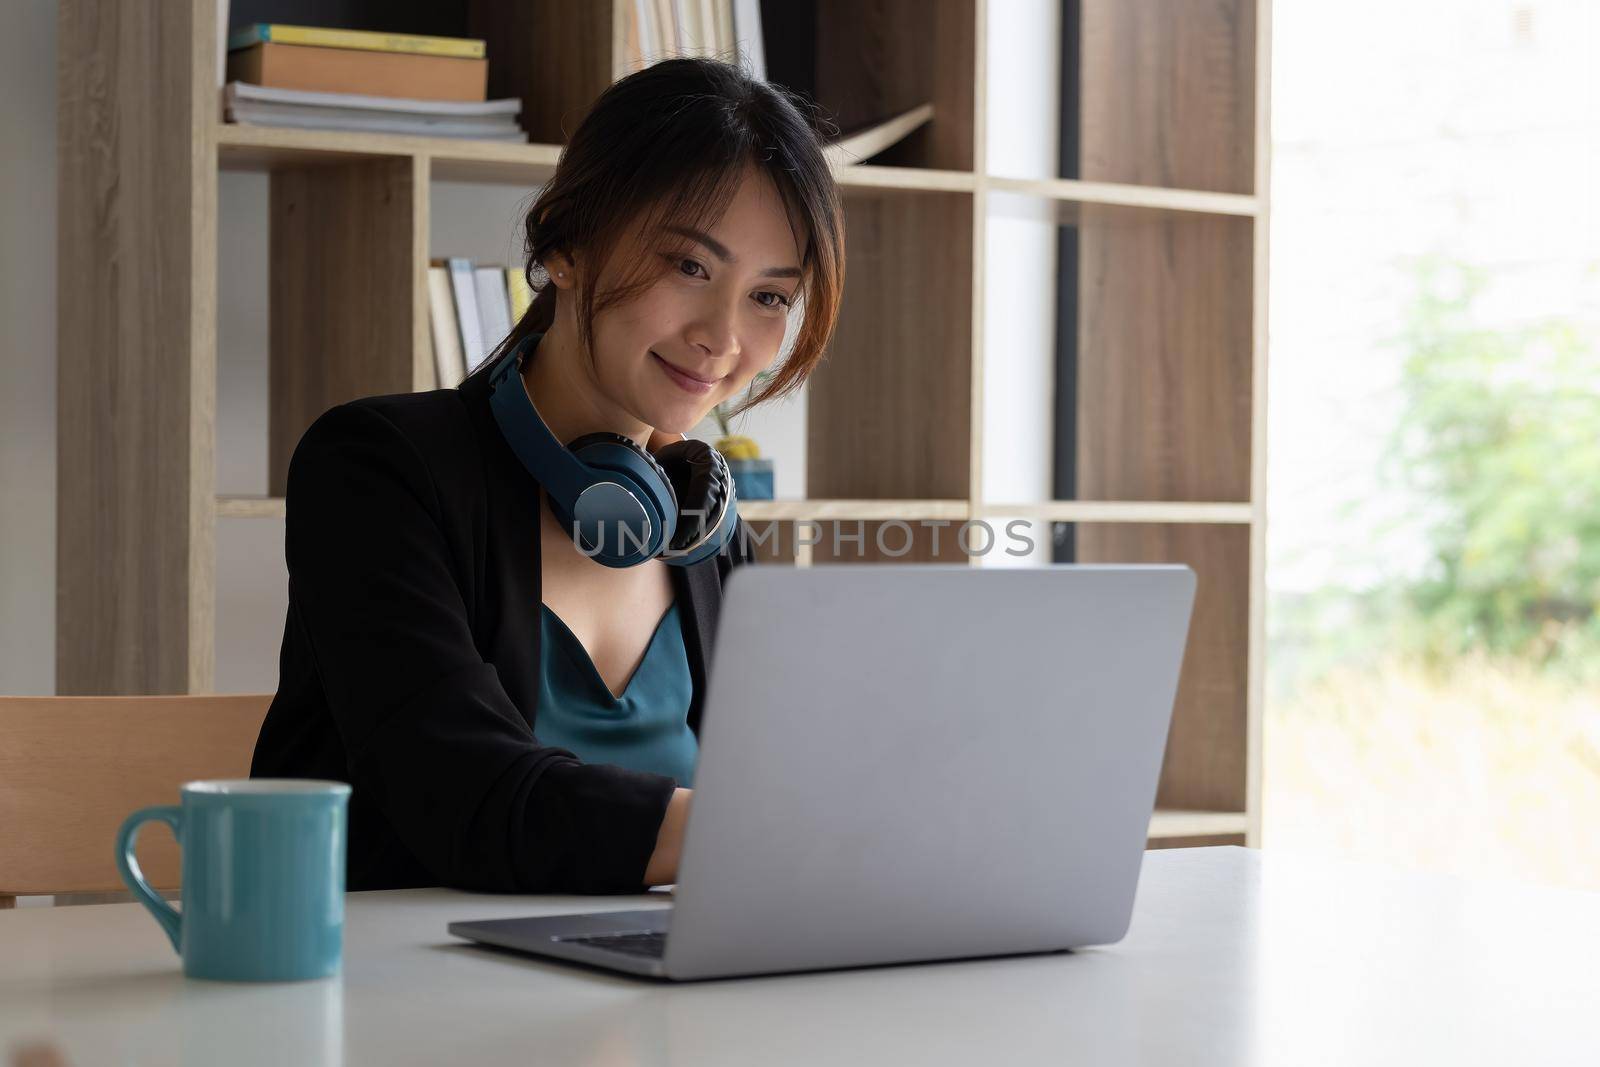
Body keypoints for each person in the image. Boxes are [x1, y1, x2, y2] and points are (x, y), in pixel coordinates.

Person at [250, 57, 846, 893]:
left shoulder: (705, 529)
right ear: (567, 245)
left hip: (655, 992)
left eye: (770, 298)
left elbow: (780, 792)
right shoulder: (376, 471)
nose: (723, 336)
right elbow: (465, 796)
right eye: (690, 267)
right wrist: (779, 823)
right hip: (399, 1000)